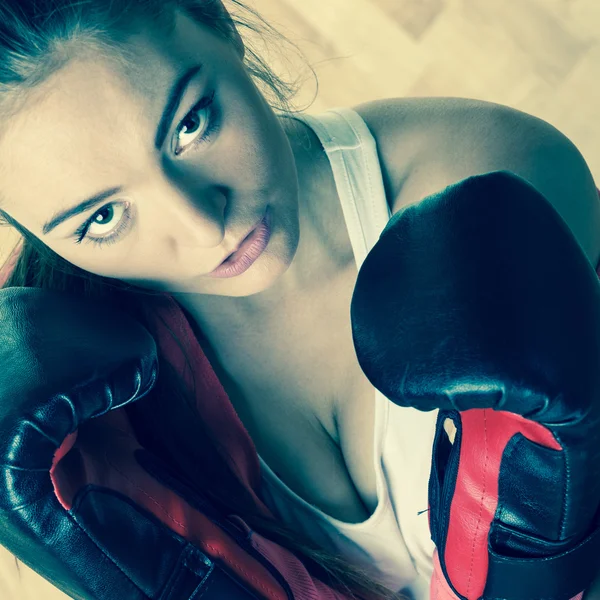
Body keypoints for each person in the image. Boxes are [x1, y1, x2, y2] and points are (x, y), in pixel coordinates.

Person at [0, 0, 599, 598]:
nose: (205, 225)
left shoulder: (497, 181)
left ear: (219, 26)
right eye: (102, 218)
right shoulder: (86, 421)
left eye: (190, 124)